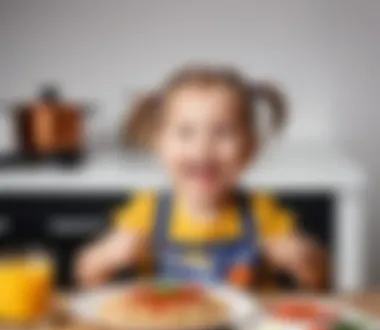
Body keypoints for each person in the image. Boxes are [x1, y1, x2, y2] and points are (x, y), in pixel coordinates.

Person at [76, 65, 327, 290]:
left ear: (250, 148)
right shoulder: (147, 211)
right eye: (186, 132)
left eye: (222, 132)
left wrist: (307, 260)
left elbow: (319, 280)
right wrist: (106, 257)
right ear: (158, 144)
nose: (203, 147)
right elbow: (86, 273)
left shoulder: (263, 213)